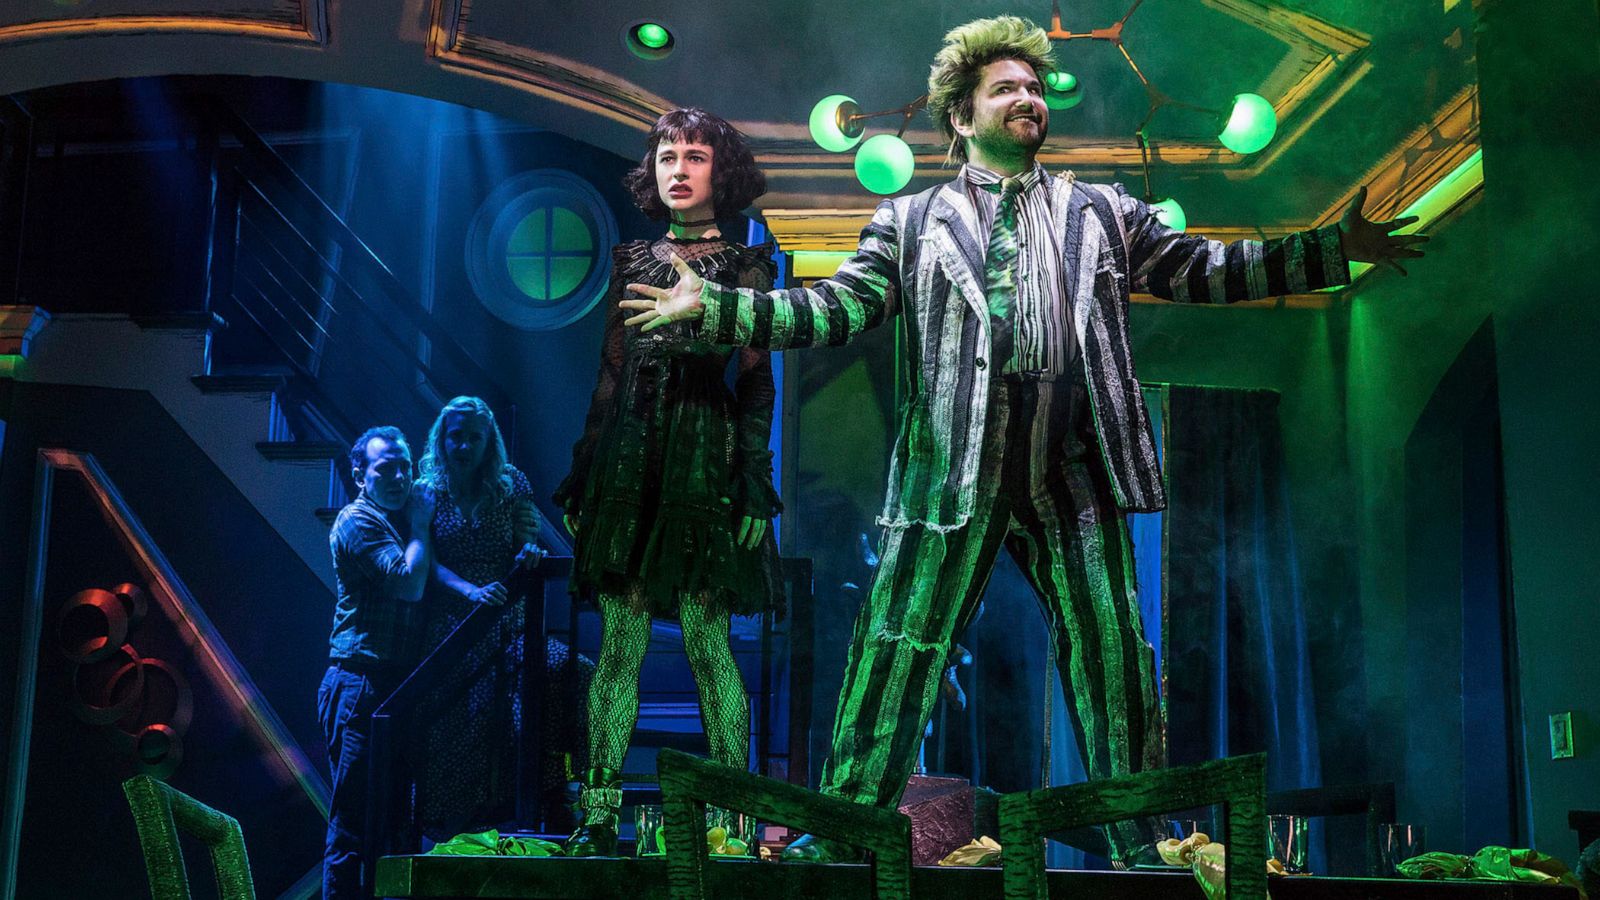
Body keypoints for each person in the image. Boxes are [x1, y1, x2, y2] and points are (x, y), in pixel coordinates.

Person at [621, 16, 1426, 866]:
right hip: (949, 469)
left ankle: (1143, 842)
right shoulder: (909, 219)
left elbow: (1204, 268)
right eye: (1007, 89)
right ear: (960, 117)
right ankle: (848, 832)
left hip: (1074, 465)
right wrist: (716, 307)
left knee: (1113, 649)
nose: (1029, 100)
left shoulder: (1102, 211)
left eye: (1035, 89)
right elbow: (834, 308)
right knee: (895, 649)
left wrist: (1326, 252)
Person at [554, 107, 784, 856]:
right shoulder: (632, 258)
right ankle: (597, 814)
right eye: (666, 156)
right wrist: (584, 473)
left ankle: (736, 818)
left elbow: (756, 383)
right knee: (619, 641)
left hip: (701, 456)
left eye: (694, 156)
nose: (677, 169)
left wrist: (753, 478)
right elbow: (610, 371)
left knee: (705, 639)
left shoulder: (748, 265)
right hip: (630, 458)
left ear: (723, 171)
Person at [412, 395, 545, 840]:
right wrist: (471, 591)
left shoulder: (511, 484)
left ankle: (525, 808)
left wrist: (529, 550)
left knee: (558, 679)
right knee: (453, 722)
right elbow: (425, 561)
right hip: (451, 623)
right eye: (457, 437)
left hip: (505, 618)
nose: (465, 446)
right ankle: (447, 829)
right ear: (442, 439)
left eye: (474, 437)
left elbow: (526, 539)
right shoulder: (427, 488)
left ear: (489, 442)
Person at [318, 426, 432, 898]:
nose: (400, 476)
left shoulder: (396, 522)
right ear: (360, 472)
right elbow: (407, 583)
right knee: (354, 827)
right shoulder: (356, 519)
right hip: (359, 683)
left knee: (393, 826)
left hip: (390, 686)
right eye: (387, 467)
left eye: (406, 466)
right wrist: (423, 526)